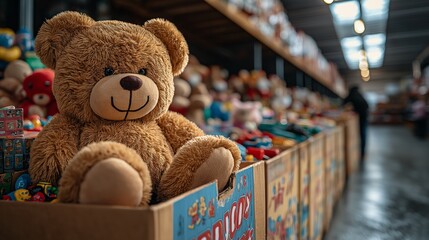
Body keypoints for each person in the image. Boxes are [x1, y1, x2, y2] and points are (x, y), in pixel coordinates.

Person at [343, 86, 369, 160]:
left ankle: (361, 152)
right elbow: (367, 105)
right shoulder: (360, 95)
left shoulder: (352, 95)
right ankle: (362, 152)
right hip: (364, 117)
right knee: (363, 134)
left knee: (362, 134)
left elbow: (344, 102)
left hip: (361, 118)